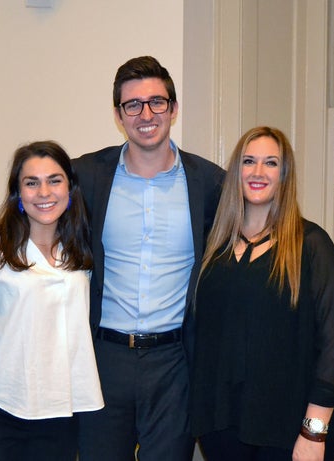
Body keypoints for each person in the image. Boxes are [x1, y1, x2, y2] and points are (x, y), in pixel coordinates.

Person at [73, 56, 225, 461]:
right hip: (103, 357)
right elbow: (32, 215)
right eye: (133, 105)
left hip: (174, 363)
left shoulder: (210, 184)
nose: (146, 114)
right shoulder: (85, 176)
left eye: (157, 102)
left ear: (173, 109)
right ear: (118, 115)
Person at [190, 126, 334, 461]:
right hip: (221, 426)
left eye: (271, 163)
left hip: (289, 430)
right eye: (249, 161)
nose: (258, 172)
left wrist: (314, 430)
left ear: (285, 174)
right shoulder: (213, 246)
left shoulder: (311, 246)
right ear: (237, 172)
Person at [0, 141, 103, 461]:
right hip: (0, 405)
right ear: (18, 193)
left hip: (61, 406)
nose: (44, 192)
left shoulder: (81, 248)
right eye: (32, 183)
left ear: (70, 188)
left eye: (54, 180)